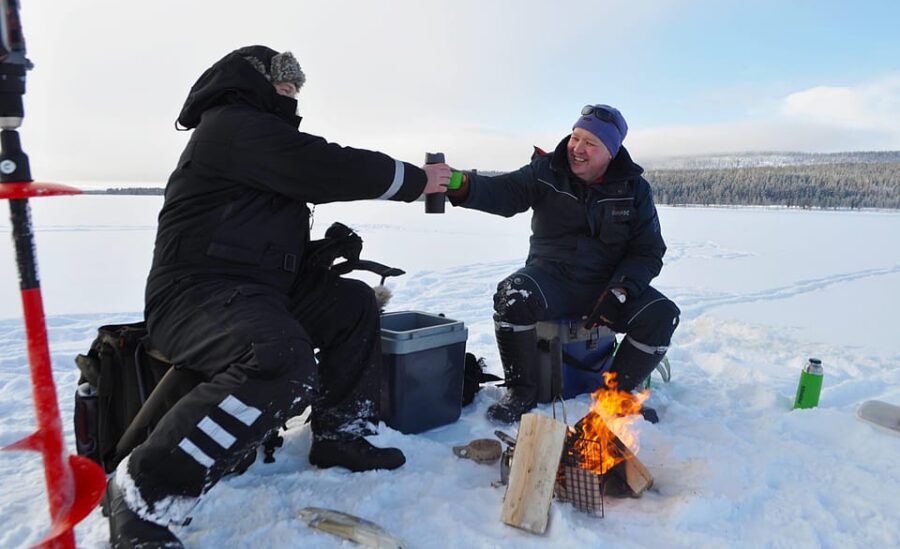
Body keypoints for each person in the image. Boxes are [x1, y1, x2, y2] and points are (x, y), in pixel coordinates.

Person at [105, 45, 452, 548]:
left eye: (295, 89)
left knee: (352, 304)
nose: (291, 96)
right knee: (279, 359)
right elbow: (324, 165)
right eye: (283, 86)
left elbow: (257, 229)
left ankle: (340, 435)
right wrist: (415, 181)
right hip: (194, 295)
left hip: (257, 290)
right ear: (250, 83)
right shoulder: (230, 126)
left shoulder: (258, 138)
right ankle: (145, 487)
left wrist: (310, 256)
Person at [447, 104, 680, 424]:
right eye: (575, 137)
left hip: (607, 285)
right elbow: (503, 191)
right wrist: (460, 183)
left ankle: (617, 395)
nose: (577, 149)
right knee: (514, 295)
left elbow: (648, 250)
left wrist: (622, 290)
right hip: (552, 278)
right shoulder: (547, 171)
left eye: (590, 143)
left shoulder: (634, 189)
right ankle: (521, 392)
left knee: (662, 315)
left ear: (610, 152)